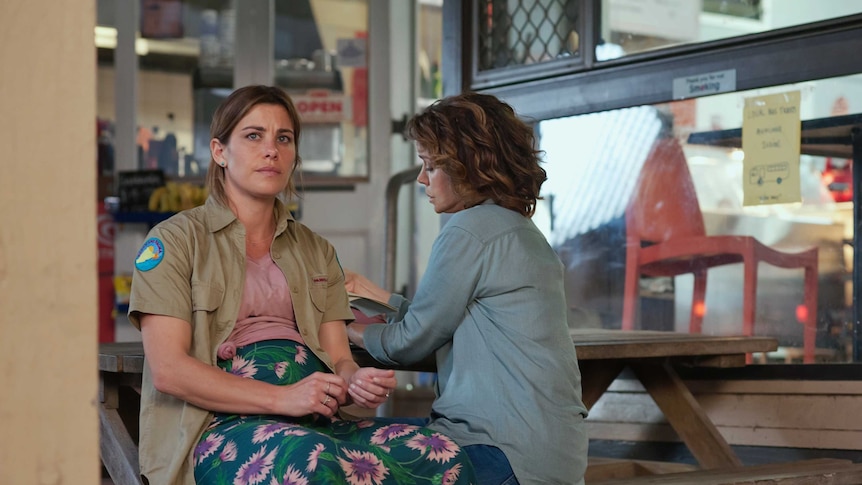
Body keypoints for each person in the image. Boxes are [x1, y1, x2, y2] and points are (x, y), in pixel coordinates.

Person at [128, 85, 476, 485]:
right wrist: (283, 398)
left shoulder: (316, 250)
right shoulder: (174, 242)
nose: (271, 149)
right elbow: (170, 371)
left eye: (284, 138)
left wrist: (354, 381)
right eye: (253, 135)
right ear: (219, 151)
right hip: (219, 428)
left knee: (443, 455)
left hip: (318, 422)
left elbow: (339, 358)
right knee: (310, 461)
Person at [345, 92, 589, 485]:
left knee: (336, 451)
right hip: (548, 454)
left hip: (500, 453)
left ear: (467, 168)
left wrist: (342, 327)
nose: (422, 179)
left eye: (430, 166)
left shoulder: (468, 230)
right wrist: (373, 293)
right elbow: (442, 316)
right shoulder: (518, 230)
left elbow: (410, 341)